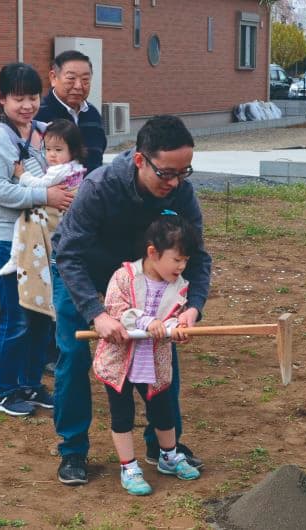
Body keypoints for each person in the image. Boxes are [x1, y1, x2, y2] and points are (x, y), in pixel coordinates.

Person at [52, 114, 211, 485]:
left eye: (183, 172)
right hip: (85, 276)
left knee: (160, 348)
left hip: (144, 280)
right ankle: (73, 450)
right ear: (141, 160)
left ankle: (162, 447)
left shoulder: (181, 193)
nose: (174, 183)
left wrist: (192, 307)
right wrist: (97, 313)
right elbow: (69, 256)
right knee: (75, 357)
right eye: (166, 173)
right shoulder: (100, 187)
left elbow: (198, 256)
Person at [0, 63, 75, 417]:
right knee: (15, 316)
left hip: (42, 237)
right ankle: (6, 391)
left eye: (33, 97)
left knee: (39, 314)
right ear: (1, 98)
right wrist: (45, 197)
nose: (27, 105)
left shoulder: (44, 131)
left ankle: (31, 384)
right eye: (18, 98)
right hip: (6, 236)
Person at [93, 214, 202, 495]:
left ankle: (169, 455)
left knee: (163, 413)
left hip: (155, 363)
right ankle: (128, 466)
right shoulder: (124, 276)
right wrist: (145, 321)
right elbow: (116, 310)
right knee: (122, 414)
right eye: (177, 259)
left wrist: (177, 328)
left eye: (186, 260)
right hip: (120, 363)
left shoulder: (180, 287)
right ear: (153, 253)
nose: (182, 266)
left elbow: (176, 317)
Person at [35, 50, 107, 374]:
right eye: (71, 78)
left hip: (85, 208)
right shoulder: (41, 113)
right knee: (49, 278)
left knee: (75, 272)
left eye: (86, 79)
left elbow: (98, 160)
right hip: (49, 208)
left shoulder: (92, 114)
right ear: (53, 77)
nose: (79, 85)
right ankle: (50, 350)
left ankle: (69, 341)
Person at [0, 119, 86, 281]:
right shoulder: (76, 167)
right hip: (68, 215)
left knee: (22, 223)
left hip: (54, 212)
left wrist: (22, 175)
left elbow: (40, 185)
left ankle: (15, 258)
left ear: (72, 151)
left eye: (58, 150)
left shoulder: (59, 170)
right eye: (48, 149)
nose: (51, 154)